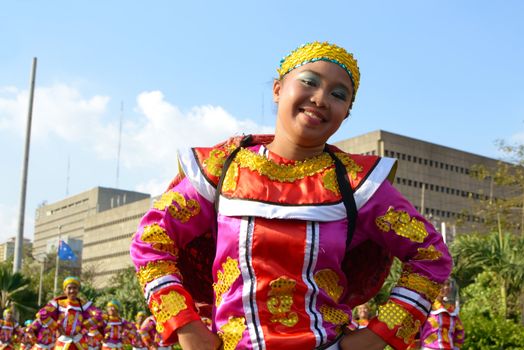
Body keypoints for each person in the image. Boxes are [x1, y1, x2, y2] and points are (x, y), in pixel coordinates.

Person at [130, 41, 452, 350]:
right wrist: (186, 327)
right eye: (310, 82)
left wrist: (377, 336)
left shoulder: (358, 185)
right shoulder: (221, 169)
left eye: (339, 95)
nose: (321, 98)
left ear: (346, 114)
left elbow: (431, 256)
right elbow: (151, 240)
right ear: (277, 89)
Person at [35, 276, 102, 350]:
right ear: (64, 290)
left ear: (78, 290)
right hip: (63, 341)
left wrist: (83, 326)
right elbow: (42, 313)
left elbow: (99, 315)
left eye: (75, 288)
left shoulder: (83, 305)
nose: (72, 290)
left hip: (79, 341)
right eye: (69, 288)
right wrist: (56, 327)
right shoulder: (58, 303)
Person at [417, 279, 464, 349]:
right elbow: (415, 329)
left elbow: (460, 330)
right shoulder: (426, 305)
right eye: (443, 284)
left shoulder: (451, 309)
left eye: (448, 284)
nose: (446, 287)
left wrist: (456, 347)